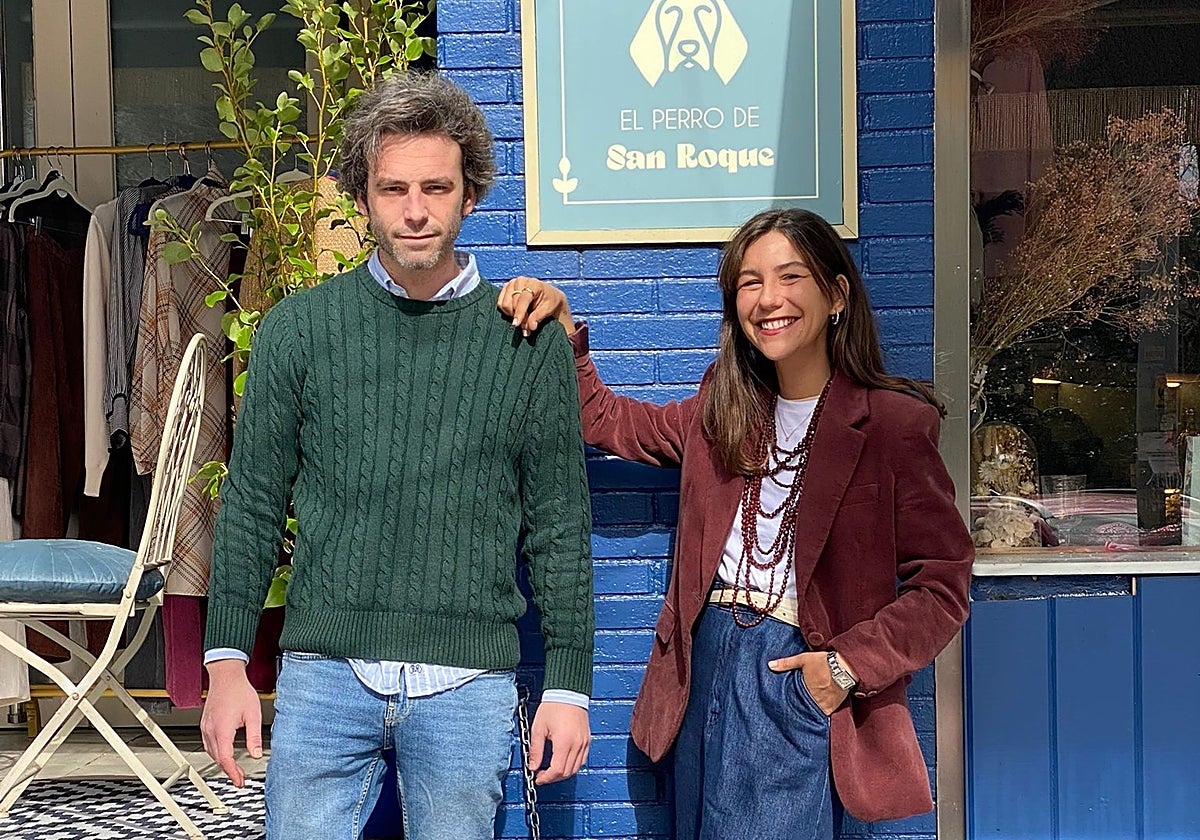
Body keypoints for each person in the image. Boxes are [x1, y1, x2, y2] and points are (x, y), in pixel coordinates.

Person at [200, 72, 595, 840]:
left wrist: (570, 687)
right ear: (363, 198)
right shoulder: (296, 331)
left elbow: (559, 524)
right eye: (393, 189)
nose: (415, 211)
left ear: (469, 195)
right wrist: (225, 665)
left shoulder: (529, 338)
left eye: (436, 188)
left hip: (469, 682)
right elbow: (250, 504)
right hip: (323, 672)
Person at [498, 208, 974, 839]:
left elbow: (942, 583)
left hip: (797, 670)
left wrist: (843, 668)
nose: (768, 299)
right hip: (706, 665)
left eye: (790, 277)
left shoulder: (891, 425)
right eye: (750, 282)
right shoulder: (723, 406)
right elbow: (610, 421)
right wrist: (565, 332)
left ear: (836, 294)